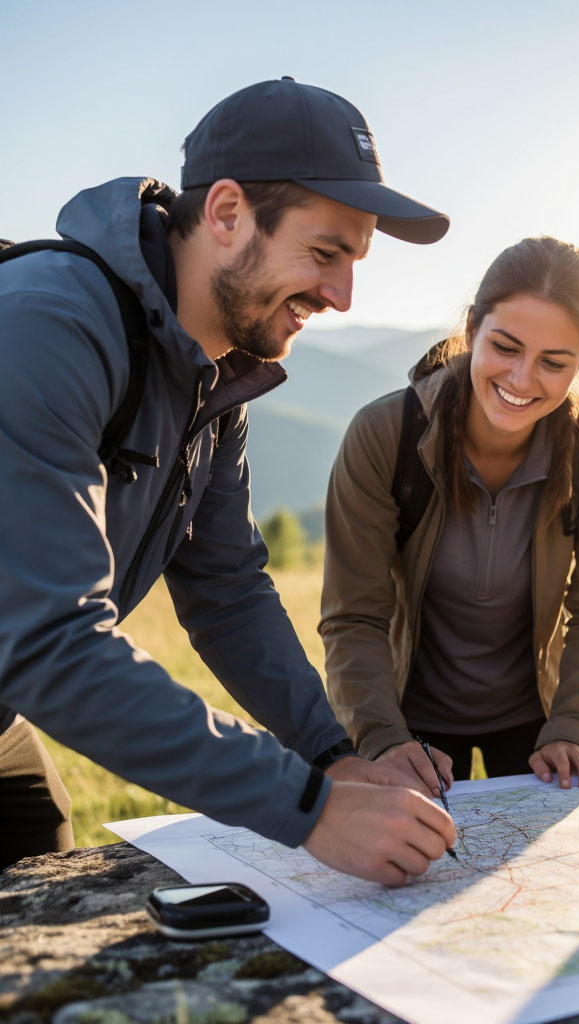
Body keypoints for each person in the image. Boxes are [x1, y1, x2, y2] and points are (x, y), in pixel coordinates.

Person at [0, 77, 458, 885]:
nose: (343, 295)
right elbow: (50, 640)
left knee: (38, 868)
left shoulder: (218, 381)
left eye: (354, 260)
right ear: (224, 213)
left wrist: (332, 753)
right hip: (24, 663)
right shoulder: (46, 327)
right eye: (324, 253)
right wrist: (310, 808)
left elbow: (226, 590)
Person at [320, 237, 579, 795]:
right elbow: (355, 615)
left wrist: (574, 726)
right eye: (505, 347)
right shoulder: (383, 436)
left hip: (538, 722)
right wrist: (380, 739)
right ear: (471, 331)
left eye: (553, 363)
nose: (521, 379)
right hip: (403, 721)